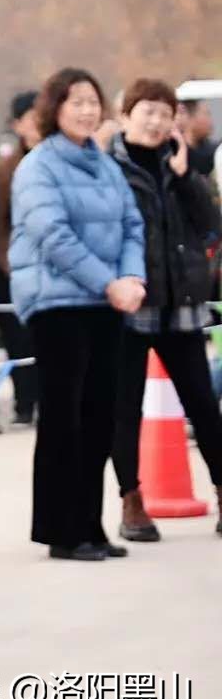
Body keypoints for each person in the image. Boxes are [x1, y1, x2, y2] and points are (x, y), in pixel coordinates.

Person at [10, 67, 146, 562]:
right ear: (55, 109)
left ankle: (91, 523)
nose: (88, 111)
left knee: (100, 417)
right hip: (58, 303)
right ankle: (61, 531)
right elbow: (54, 236)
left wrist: (132, 279)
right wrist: (108, 282)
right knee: (64, 419)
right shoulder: (38, 166)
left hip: (106, 303)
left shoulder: (105, 163)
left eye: (93, 101)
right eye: (76, 102)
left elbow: (133, 224)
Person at [108, 78, 222, 542]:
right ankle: (132, 501)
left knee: (204, 405)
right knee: (124, 410)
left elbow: (211, 224)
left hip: (181, 305)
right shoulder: (108, 167)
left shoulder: (180, 164)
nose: (156, 121)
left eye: (164, 112)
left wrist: (184, 176)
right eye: (147, 111)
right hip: (131, 306)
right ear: (126, 116)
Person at [0, 92, 42, 425]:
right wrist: (10, 265)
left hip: (58, 273)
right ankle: (24, 404)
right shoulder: (6, 168)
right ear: (18, 124)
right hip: (18, 272)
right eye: (31, 119)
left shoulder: (61, 159)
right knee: (20, 344)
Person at [176, 99, 218, 178]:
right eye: (206, 114)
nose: (210, 120)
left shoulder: (214, 151)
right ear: (188, 117)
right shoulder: (173, 152)